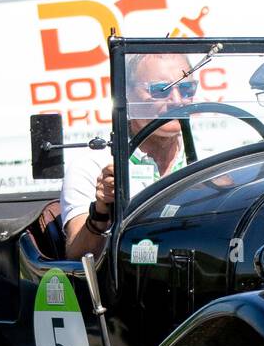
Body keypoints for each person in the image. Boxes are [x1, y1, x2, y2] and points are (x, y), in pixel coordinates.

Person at [61, 52, 195, 260]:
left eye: (187, 89)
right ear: (126, 96)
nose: (177, 101)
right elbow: (78, 256)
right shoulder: (92, 164)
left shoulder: (212, 159)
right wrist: (101, 211)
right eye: (161, 90)